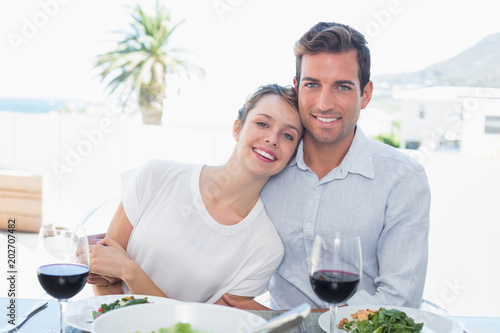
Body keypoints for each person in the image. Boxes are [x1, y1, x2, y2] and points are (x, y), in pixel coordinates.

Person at [223, 22, 431, 310]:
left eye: (342, 87)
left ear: (365, 94)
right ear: (297, 89)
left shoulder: (402, 179)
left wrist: (288, 323)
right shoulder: (269, 163)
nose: (324, 104)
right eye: (312, 84)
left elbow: (400, 302)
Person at [88, 84, 303, 305]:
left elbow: (201, 325)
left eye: (287, 135)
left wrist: (130, 272)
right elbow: (102, 274)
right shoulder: (156, 176)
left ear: (293, 155)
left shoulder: (265, 248)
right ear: (237, 128)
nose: (272, 138)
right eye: (262, 123)